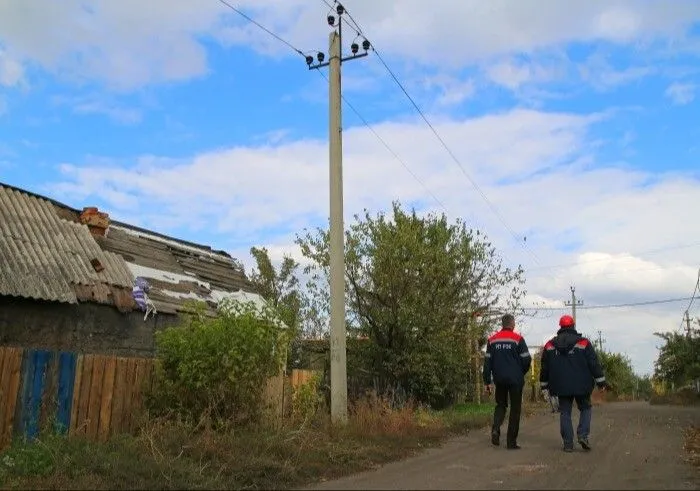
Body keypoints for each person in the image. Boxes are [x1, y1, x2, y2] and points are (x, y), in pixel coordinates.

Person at [539, 314, 610, 452]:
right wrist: (602, 383)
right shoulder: (583, 343)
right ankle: (583, 435)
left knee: (565, 412)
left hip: (560, 385)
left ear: (560, 327)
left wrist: (544, 385)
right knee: (585, 408)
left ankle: (568, 444)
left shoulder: (549, 345)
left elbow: (545, 368)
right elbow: (594, 364)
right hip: (582, 385)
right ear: (572, 326)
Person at [482, 313, 531, 449]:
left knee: (501, 405)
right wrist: (521, 372)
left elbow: (487, 363)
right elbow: (527, 359)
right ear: (512, 324)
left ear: (502, 324)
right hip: (515, 379)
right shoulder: (518, 339)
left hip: (499, 379)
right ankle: (511, 442)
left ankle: (495, 429)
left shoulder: (492, 340)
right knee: (515, 409)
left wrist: (487, 381)